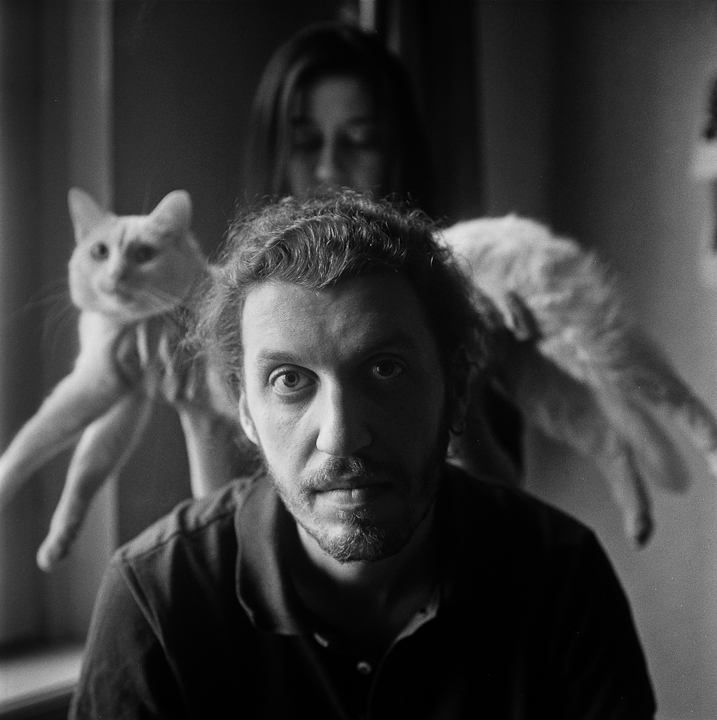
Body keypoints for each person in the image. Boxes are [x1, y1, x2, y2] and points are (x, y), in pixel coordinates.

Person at [70, 192, 656, 719]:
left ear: (457, 389)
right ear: (245, 411)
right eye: (290, 380)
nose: (342, 436)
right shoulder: (155, 601)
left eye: (385, 369)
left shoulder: (562, 575)